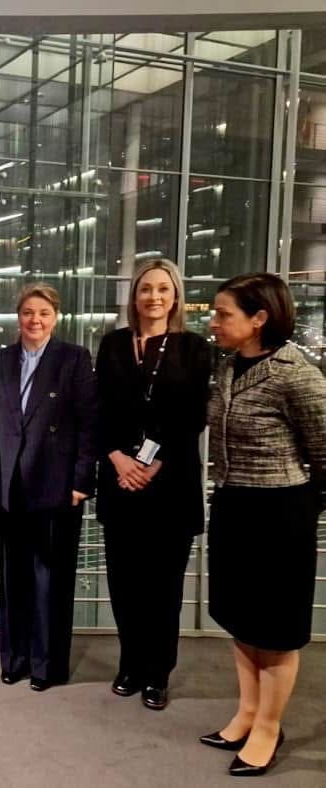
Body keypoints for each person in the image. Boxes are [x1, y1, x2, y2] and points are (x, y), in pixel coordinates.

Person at [201, 273, 325, 777]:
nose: (214, 322)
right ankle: (247, 713)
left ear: (259, 318)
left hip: (281, 514)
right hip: (234, 506)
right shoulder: (229, 367)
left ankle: (269, 728)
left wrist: (304, 510)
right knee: (242, 620)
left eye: (223, 313)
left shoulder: (297, 375)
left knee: (275, 631)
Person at [95, 258, 211, 710]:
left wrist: (154, 462)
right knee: (124, 581)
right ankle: (130, 662)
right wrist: (118, 458)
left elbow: (193, 415)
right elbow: (99, 409)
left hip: (170, 482)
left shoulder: (194, 348)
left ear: (176, 296)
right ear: (134, 296)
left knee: (163, 586)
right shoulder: (113, 344)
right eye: (146, 288)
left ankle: (158, 672)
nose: (154, 297)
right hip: (120, 479)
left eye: (163, 288)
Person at [0, 284, 96, 692]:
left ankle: (47, 665)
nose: (35, 320)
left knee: (50, 580)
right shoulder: (0, 360)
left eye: (43, 313)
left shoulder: (73, 359)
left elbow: (88, 423)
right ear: (18, 316)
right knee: (12, 576)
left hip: (57, 484)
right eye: (27, 312)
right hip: (8, 483)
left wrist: (81, 480)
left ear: (55, 317)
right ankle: (15, 658)